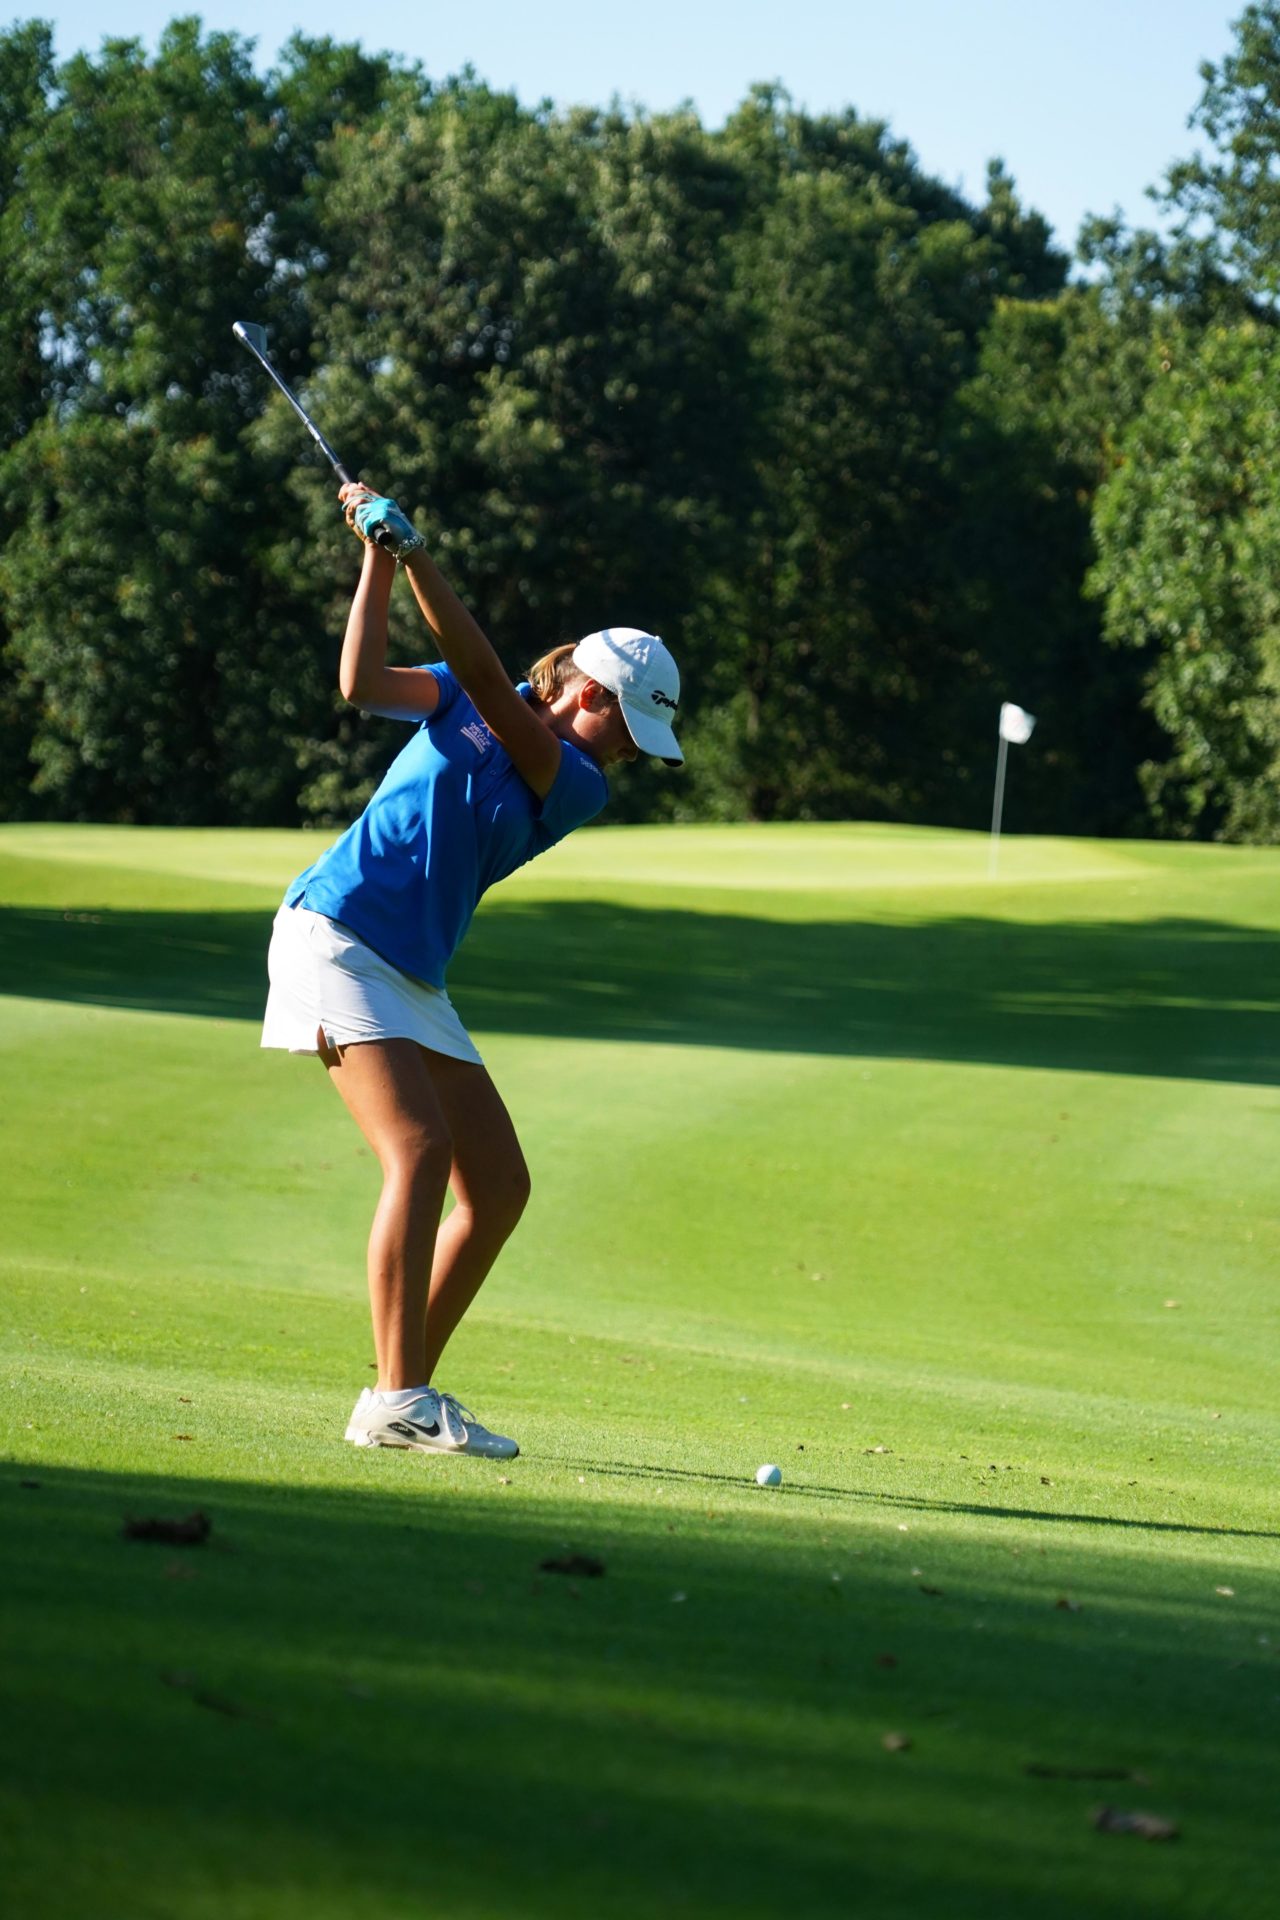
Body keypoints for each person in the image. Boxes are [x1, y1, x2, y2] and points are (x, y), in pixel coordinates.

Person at [261, 482, 683, 1460]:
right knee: (418, 1153)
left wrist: (419, 555)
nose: (626, 751)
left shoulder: (575, 783)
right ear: (589, 692)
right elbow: (361, 683)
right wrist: (379, 558)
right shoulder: (461, 694)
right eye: (626, 726)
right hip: (336, 932)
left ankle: (395, 1393)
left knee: (497, 1187)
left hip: (410, 971)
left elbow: (494, 689)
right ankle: (401, 1397)